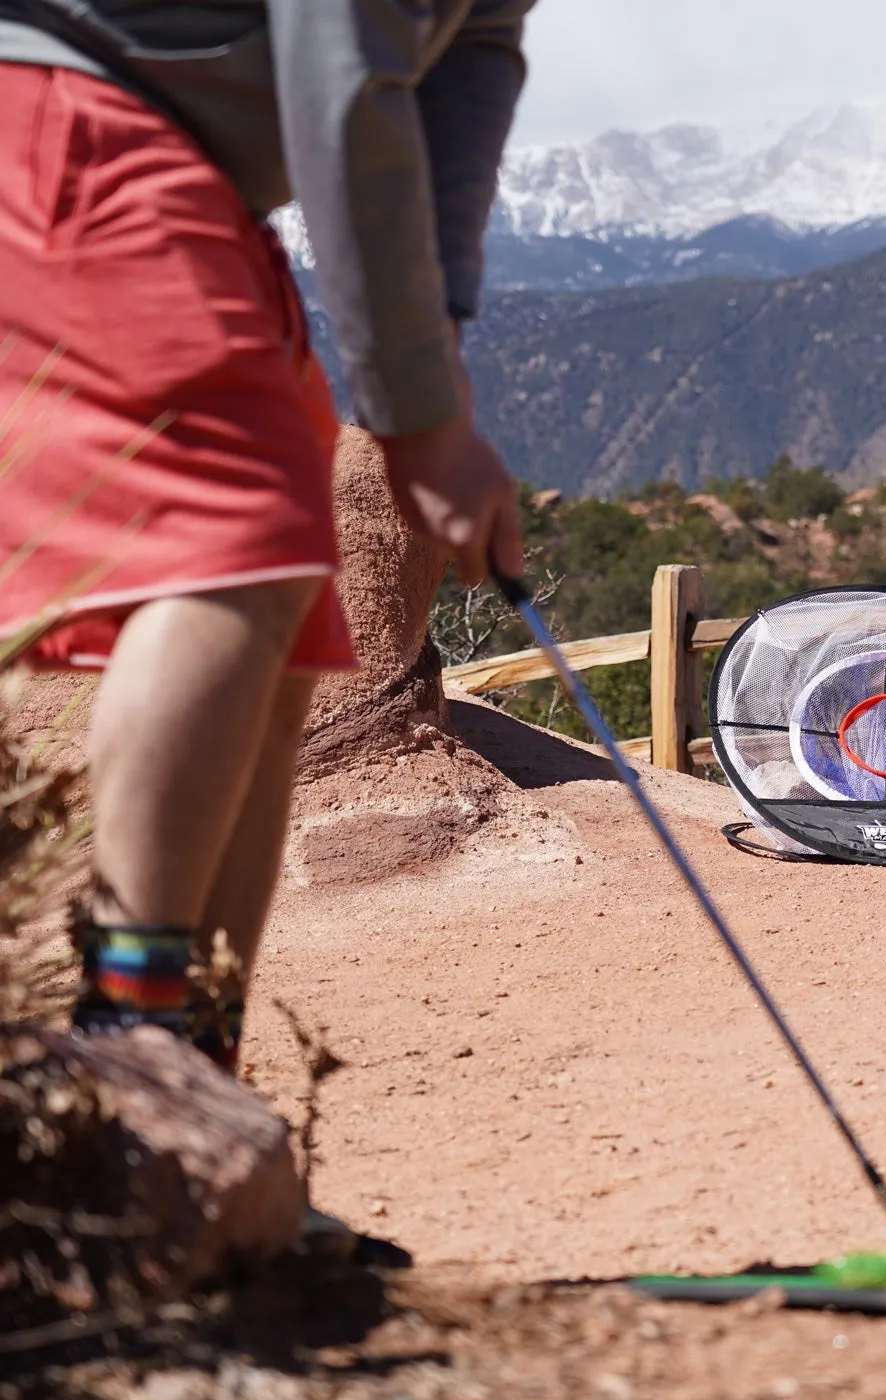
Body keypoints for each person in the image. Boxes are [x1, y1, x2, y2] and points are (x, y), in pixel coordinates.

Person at [0, 0, 532, 1190]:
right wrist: (422, 421)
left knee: (288, 603)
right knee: (228, 551)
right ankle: (124, 1066)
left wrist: (427, 376)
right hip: (66, 114)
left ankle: (203, 1114)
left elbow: (469, 64)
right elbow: (344, 73)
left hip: (175, 165)